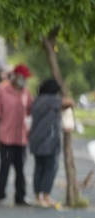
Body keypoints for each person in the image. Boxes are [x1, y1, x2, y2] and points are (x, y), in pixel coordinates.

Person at [29, 79, 75, 208]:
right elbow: (70, 103)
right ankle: (46, 196)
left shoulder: (37, 100)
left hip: (36, 139)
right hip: (48, 140)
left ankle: (38, 196)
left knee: (38, 167)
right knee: (50, 167)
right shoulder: (52, 100)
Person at [0, 63, 34, 206]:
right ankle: (0, 193)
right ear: (16, 77)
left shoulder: (26, 93)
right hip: (6, 135)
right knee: (4, 166)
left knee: (20, 168)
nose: (25, 81)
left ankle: (20, 196)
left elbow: (30, 110)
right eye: (23, 78)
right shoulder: (2, 92)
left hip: (21, 136)